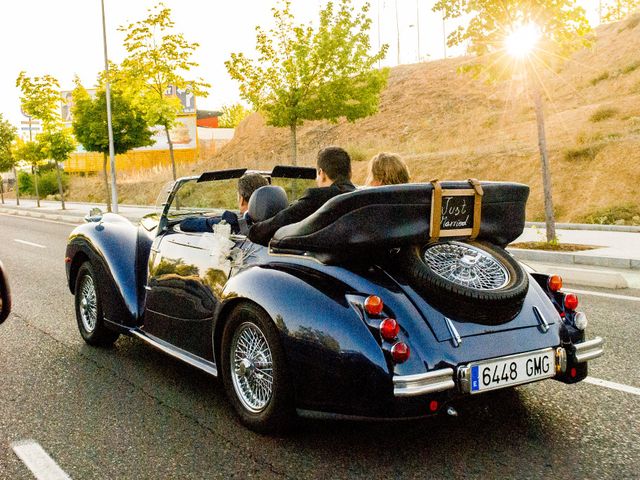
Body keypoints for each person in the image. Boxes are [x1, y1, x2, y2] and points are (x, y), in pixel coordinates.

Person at [248, 146, 356, 246]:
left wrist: (251, 231)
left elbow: (280, 221)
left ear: (322, 174)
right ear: (350, 173)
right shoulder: (363, 196)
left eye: (317, 175)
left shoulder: (317, 197)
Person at [180, 173, 267, 234]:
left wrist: (213, 219)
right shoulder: (276, 220)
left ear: (241, 199)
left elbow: (185, 223)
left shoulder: (231, 222)